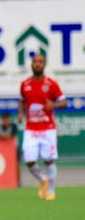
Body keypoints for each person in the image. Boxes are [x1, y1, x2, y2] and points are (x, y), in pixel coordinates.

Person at [18, 53, 66, 200]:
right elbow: (21, 100)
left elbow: (64, 102)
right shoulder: (25, 84)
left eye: (40, 62)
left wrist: (54, 105)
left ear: (44, 65)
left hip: (48, 128)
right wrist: (20, 113)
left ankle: (51, 191)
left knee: (48, 160)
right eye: (35, 61)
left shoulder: (51, 84)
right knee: (29, 160)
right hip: (31, 128)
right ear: (31, 64)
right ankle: (42, 179)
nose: (37, 64)